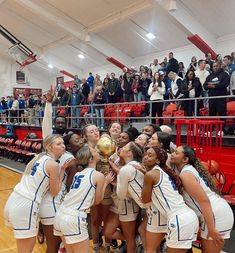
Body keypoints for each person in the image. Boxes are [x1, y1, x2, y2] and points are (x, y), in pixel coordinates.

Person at [4, 135, 67, 253]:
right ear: (49, 147)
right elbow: (54, 192)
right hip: (26, 205)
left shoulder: (39, 158)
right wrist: (62, 171)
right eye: (58, 144)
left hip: (14, 199)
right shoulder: (53, 165)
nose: (63, 146)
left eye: (63, 143)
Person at [171, 146, 234, 253]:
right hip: (215, 212)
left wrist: (212, 229)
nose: (172, 154)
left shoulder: (186, 174)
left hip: (216, 214)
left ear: (185, 159)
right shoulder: (188, 170)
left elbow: (204, 201)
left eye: (176, 153)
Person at [54, 145, 114, 253]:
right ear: (90, 159)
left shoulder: (78, 174)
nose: (97, 151)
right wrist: (106, 182)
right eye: (94, 151)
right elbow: (98, 201)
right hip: (73, 219)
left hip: (60, 215)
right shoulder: (97, 175)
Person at [141, 147, 198, 253]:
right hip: (185, 217)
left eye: (150, 155)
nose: (145, 157)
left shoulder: (150, 175)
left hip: (179, 219)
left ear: (157, 160)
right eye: (145, 154)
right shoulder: (163, 172)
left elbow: (144, 200)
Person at [204, 61, 230, 134]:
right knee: (211, 115)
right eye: (214, 66)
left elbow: (225, 84)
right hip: (212, 98)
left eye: (216, 66)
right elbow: (205, 86)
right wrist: (210, 86)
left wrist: (214, 86)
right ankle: (210, 130)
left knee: (222, 114)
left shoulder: (225, 74)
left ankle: (222, 130)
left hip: (221, 98)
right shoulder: (210, 76)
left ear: (220, 66)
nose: (215, 67)